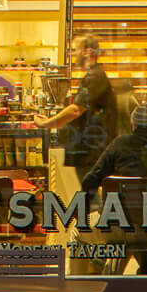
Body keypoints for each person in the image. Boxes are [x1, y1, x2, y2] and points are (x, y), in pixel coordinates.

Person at [79, 102, 147, 274]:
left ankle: (83, 288)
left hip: (120, 226)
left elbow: (89, 181)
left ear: (133, 125)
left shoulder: (119, 145)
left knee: (78, 231)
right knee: (141, 234)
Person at [41, 35, 120, 190]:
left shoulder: (95, 76)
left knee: (91, 198)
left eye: (75, 50)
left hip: (91, 150)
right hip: (89, 149)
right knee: (90, 197)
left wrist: (47, 123)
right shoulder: (92, 76)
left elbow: (76, 109)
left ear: (87, 51)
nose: (73, 54)